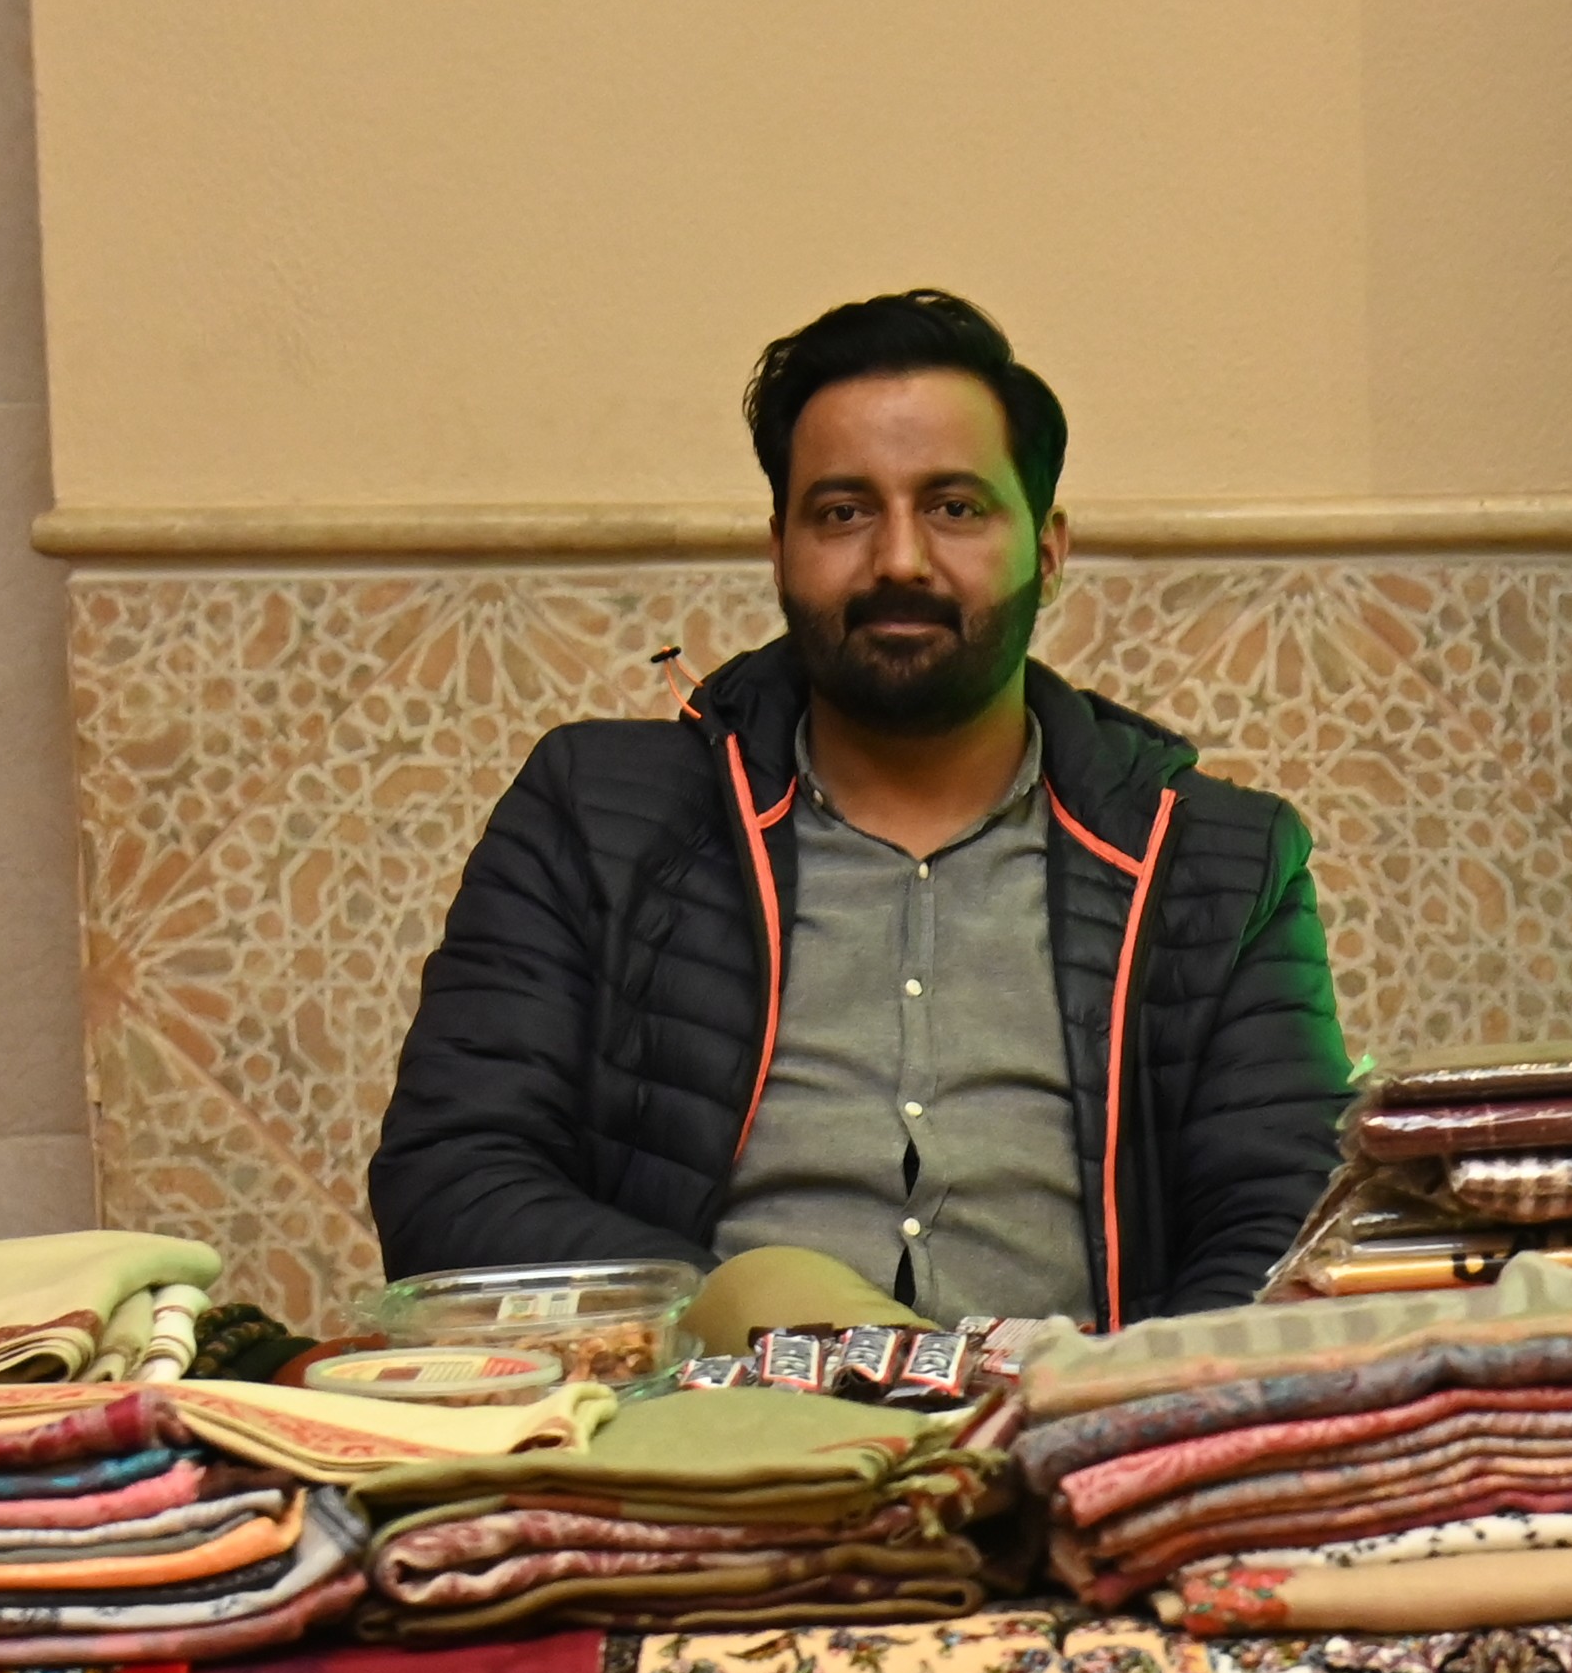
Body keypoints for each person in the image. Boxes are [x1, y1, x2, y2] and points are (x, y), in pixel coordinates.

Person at [370, 289, 1352, 1323]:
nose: (898, 560)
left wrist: (1120, 1427)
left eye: (955, 507)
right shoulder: (594, 817)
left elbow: (1288, 1224)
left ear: (1049, 548)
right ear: (779, 548)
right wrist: (734, 1310)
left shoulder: (1219, 861)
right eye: (843, 512)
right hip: (694, 1448)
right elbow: (453, 1184)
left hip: (1073, 1450)